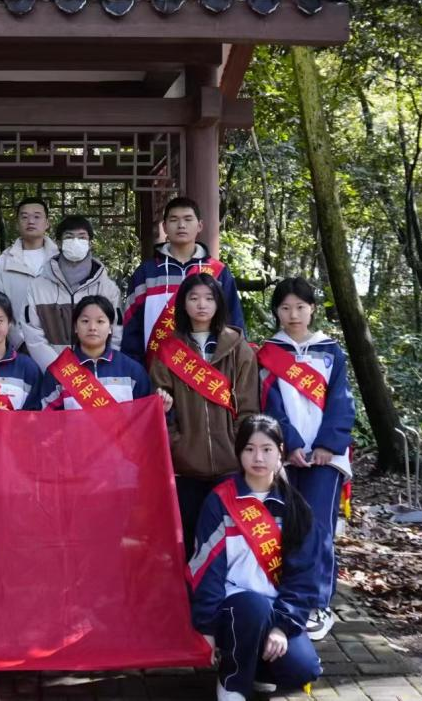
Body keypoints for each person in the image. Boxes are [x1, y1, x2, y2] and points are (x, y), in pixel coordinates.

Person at [188, 415, 322, 701]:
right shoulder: (220, 501)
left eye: (266, 449)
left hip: (276, 607)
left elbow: (304, 577)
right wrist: (206, 627)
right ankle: (233, 682)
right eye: (249, 449)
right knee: (252, 607)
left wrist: (282, 627)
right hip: (232, 605)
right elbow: (207, 568)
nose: (258, 458)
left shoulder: (295, 507)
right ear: (239, 453)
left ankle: (259, 668)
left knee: (303, 669)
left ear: (280, 452)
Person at [259, 277, 355, 642]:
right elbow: (269, 403)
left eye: (300, 307)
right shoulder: (269, 353)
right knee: (283, 524)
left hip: (326, 457)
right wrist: (290, 444)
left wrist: (328, 444)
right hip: (284, 456)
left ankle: (317, 603)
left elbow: (341, 401)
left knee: (318, 527)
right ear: (276, 312)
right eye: (285, 308)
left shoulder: (331, 351)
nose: (293, 315)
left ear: (312, 309)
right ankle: (287, 596)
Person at [149, 273, 259, 558]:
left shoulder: (238, 348)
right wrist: (178, 443)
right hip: (186, 466)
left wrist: (240, 446)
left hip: (230, 463)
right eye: (194, 298)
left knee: (229, 540)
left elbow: (248, 407)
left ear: (219, 303)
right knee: (188, 539)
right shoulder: (169, 349)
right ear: (183, 304)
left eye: (209, 298)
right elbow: (159, 408)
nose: (202, 305)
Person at [121, 196, 245, 367]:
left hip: (209, 369)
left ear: (199, 225)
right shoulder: (146, 272)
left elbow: (234, 320)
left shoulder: (218, 272)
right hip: (157, 368)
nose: (181, 225)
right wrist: (135, 368)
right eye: (174, 220)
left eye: (188, 219)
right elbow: (132, 325)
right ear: (165, 227)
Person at [20, 215, 123, 371]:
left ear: (90, 243)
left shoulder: (107, 288)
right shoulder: (38, 287)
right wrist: (59, 370)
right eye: (69, 237)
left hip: (97, 373)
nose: (76, 242)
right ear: (59, 243)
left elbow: (116, 332)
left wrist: (102, 367)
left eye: (82, 237)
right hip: (52, 374)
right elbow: (33, 334)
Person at [39, 296, 165, 411]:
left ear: (110, 327)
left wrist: (163, 407)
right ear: (75, 327)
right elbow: (46, 420)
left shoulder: (132, 371)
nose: (92, 327)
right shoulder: (59, 372)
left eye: (100, 321)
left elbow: (146, 416)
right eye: (85, 321)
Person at [0, 198, 59, 351]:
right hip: (19, 347)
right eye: (24, 217)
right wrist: (18, 340)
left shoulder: (62, 261)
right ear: (17, 223)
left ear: (47, 223)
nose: (30, 221)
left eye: (37, 216)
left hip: (60, 344)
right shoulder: (1, 264)